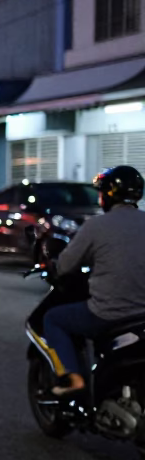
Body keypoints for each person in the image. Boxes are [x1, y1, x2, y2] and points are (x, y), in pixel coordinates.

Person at [44, 164, 145, 396]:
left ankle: (73, 377)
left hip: (108, 314)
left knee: (53, 319)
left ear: (108, 195)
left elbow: (66, 265)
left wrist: (54, 267)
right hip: (143, 317)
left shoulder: (95, 226)